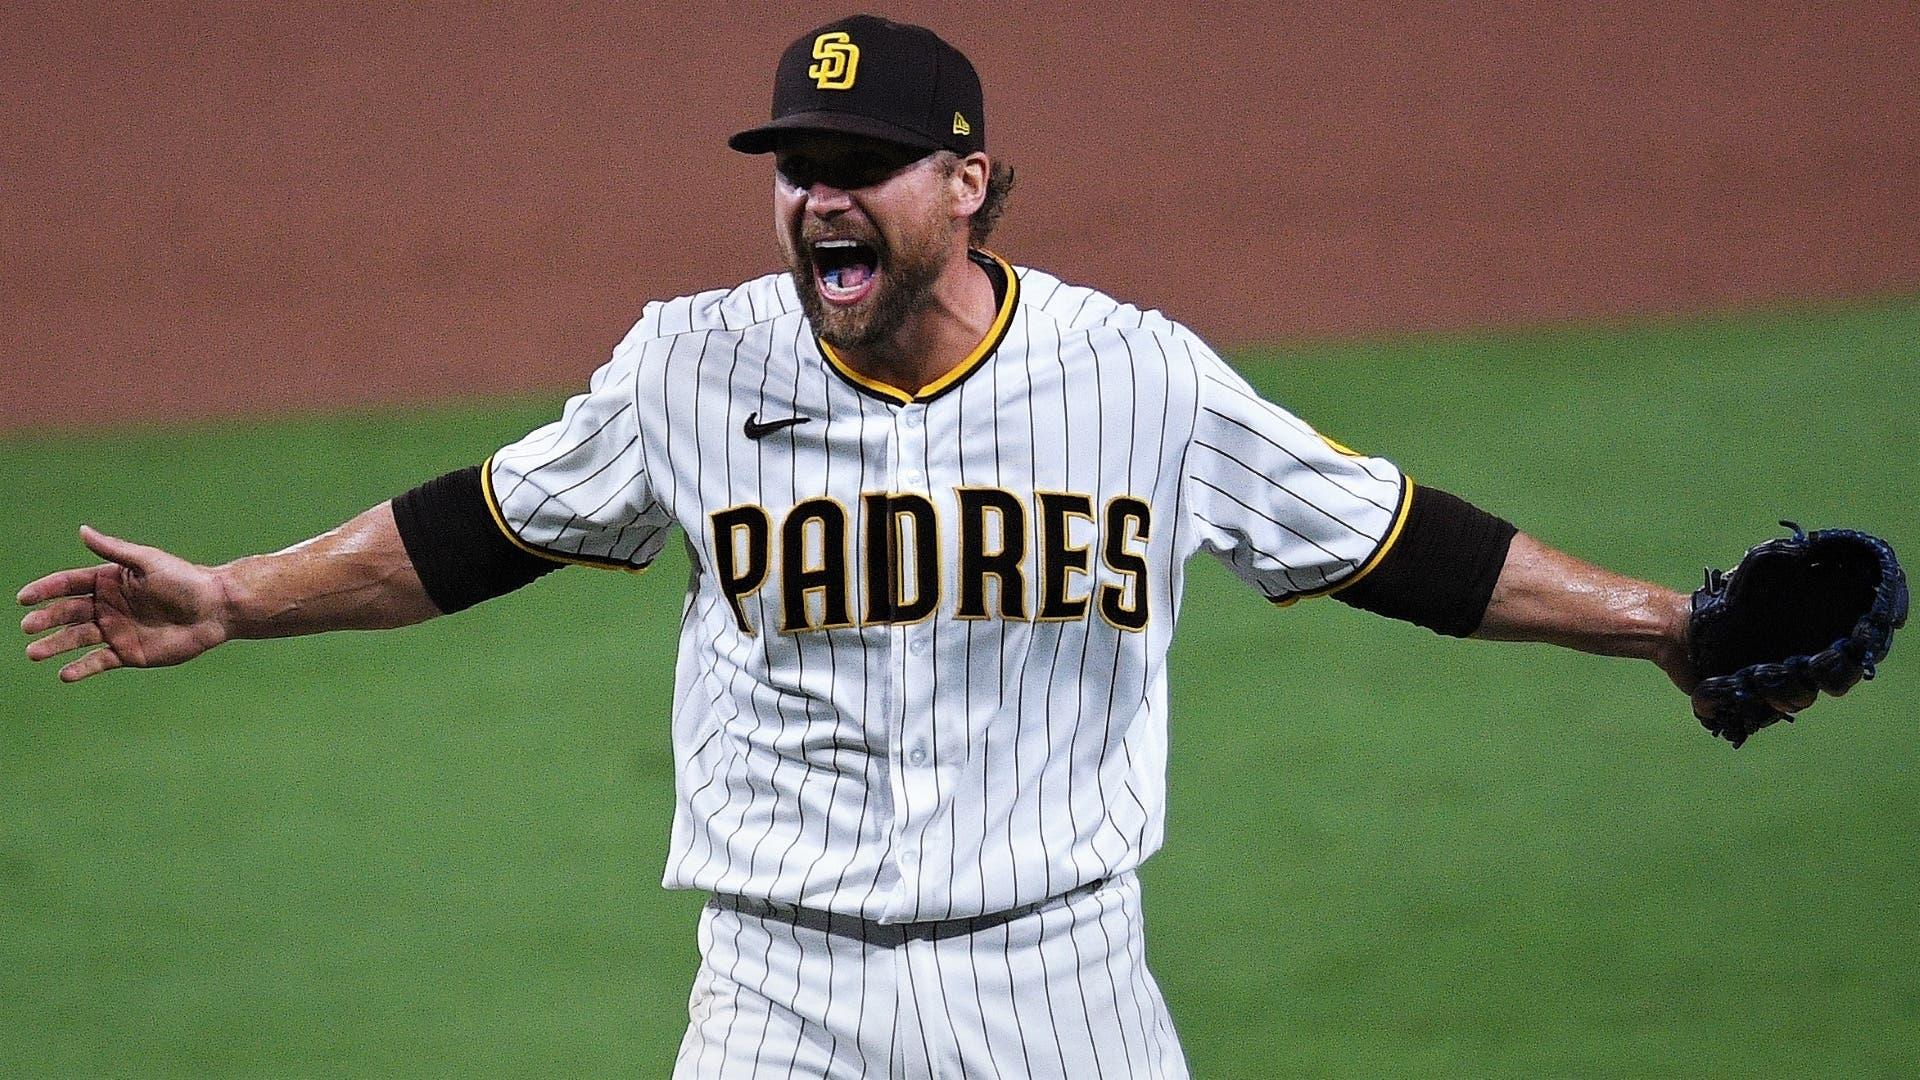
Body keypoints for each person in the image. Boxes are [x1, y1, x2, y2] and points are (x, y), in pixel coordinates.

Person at [18, 14, 1811, 1079]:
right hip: (778, 996)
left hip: (1066, 988)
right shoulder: (690, 364)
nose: (818, 192)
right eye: (797, 158)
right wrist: (237, 601)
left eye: (861, 158)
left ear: (966, 182)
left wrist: (1662, 623)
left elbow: (1395, 540)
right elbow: (477, 529)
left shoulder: (1140, 378)